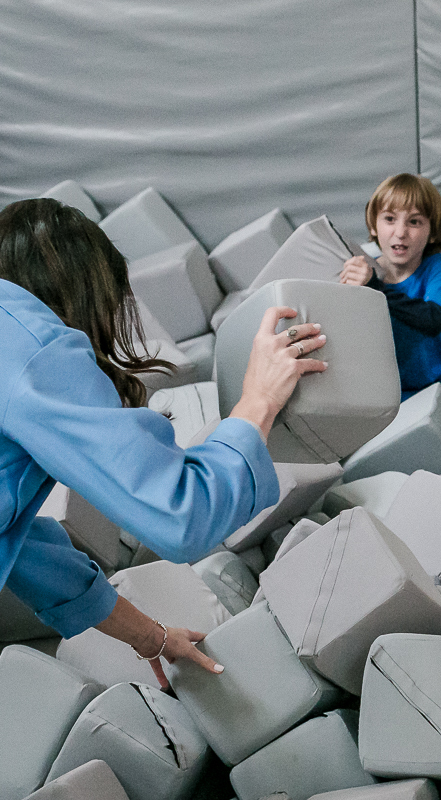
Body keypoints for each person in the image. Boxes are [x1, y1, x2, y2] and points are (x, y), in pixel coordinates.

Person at [0, 198, 328, 688]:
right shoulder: (31, 343)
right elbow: (181, 515)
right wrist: (257, 402)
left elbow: (23, 550)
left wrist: (149, 637)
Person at [339, 173, 441, 409]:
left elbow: (433, 319)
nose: (400, 232)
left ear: (432, 232)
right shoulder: (366, 273)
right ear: (373, 225)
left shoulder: (439, 267)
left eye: (414, 222)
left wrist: (375, 287)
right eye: (390, 219)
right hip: (397, 387)